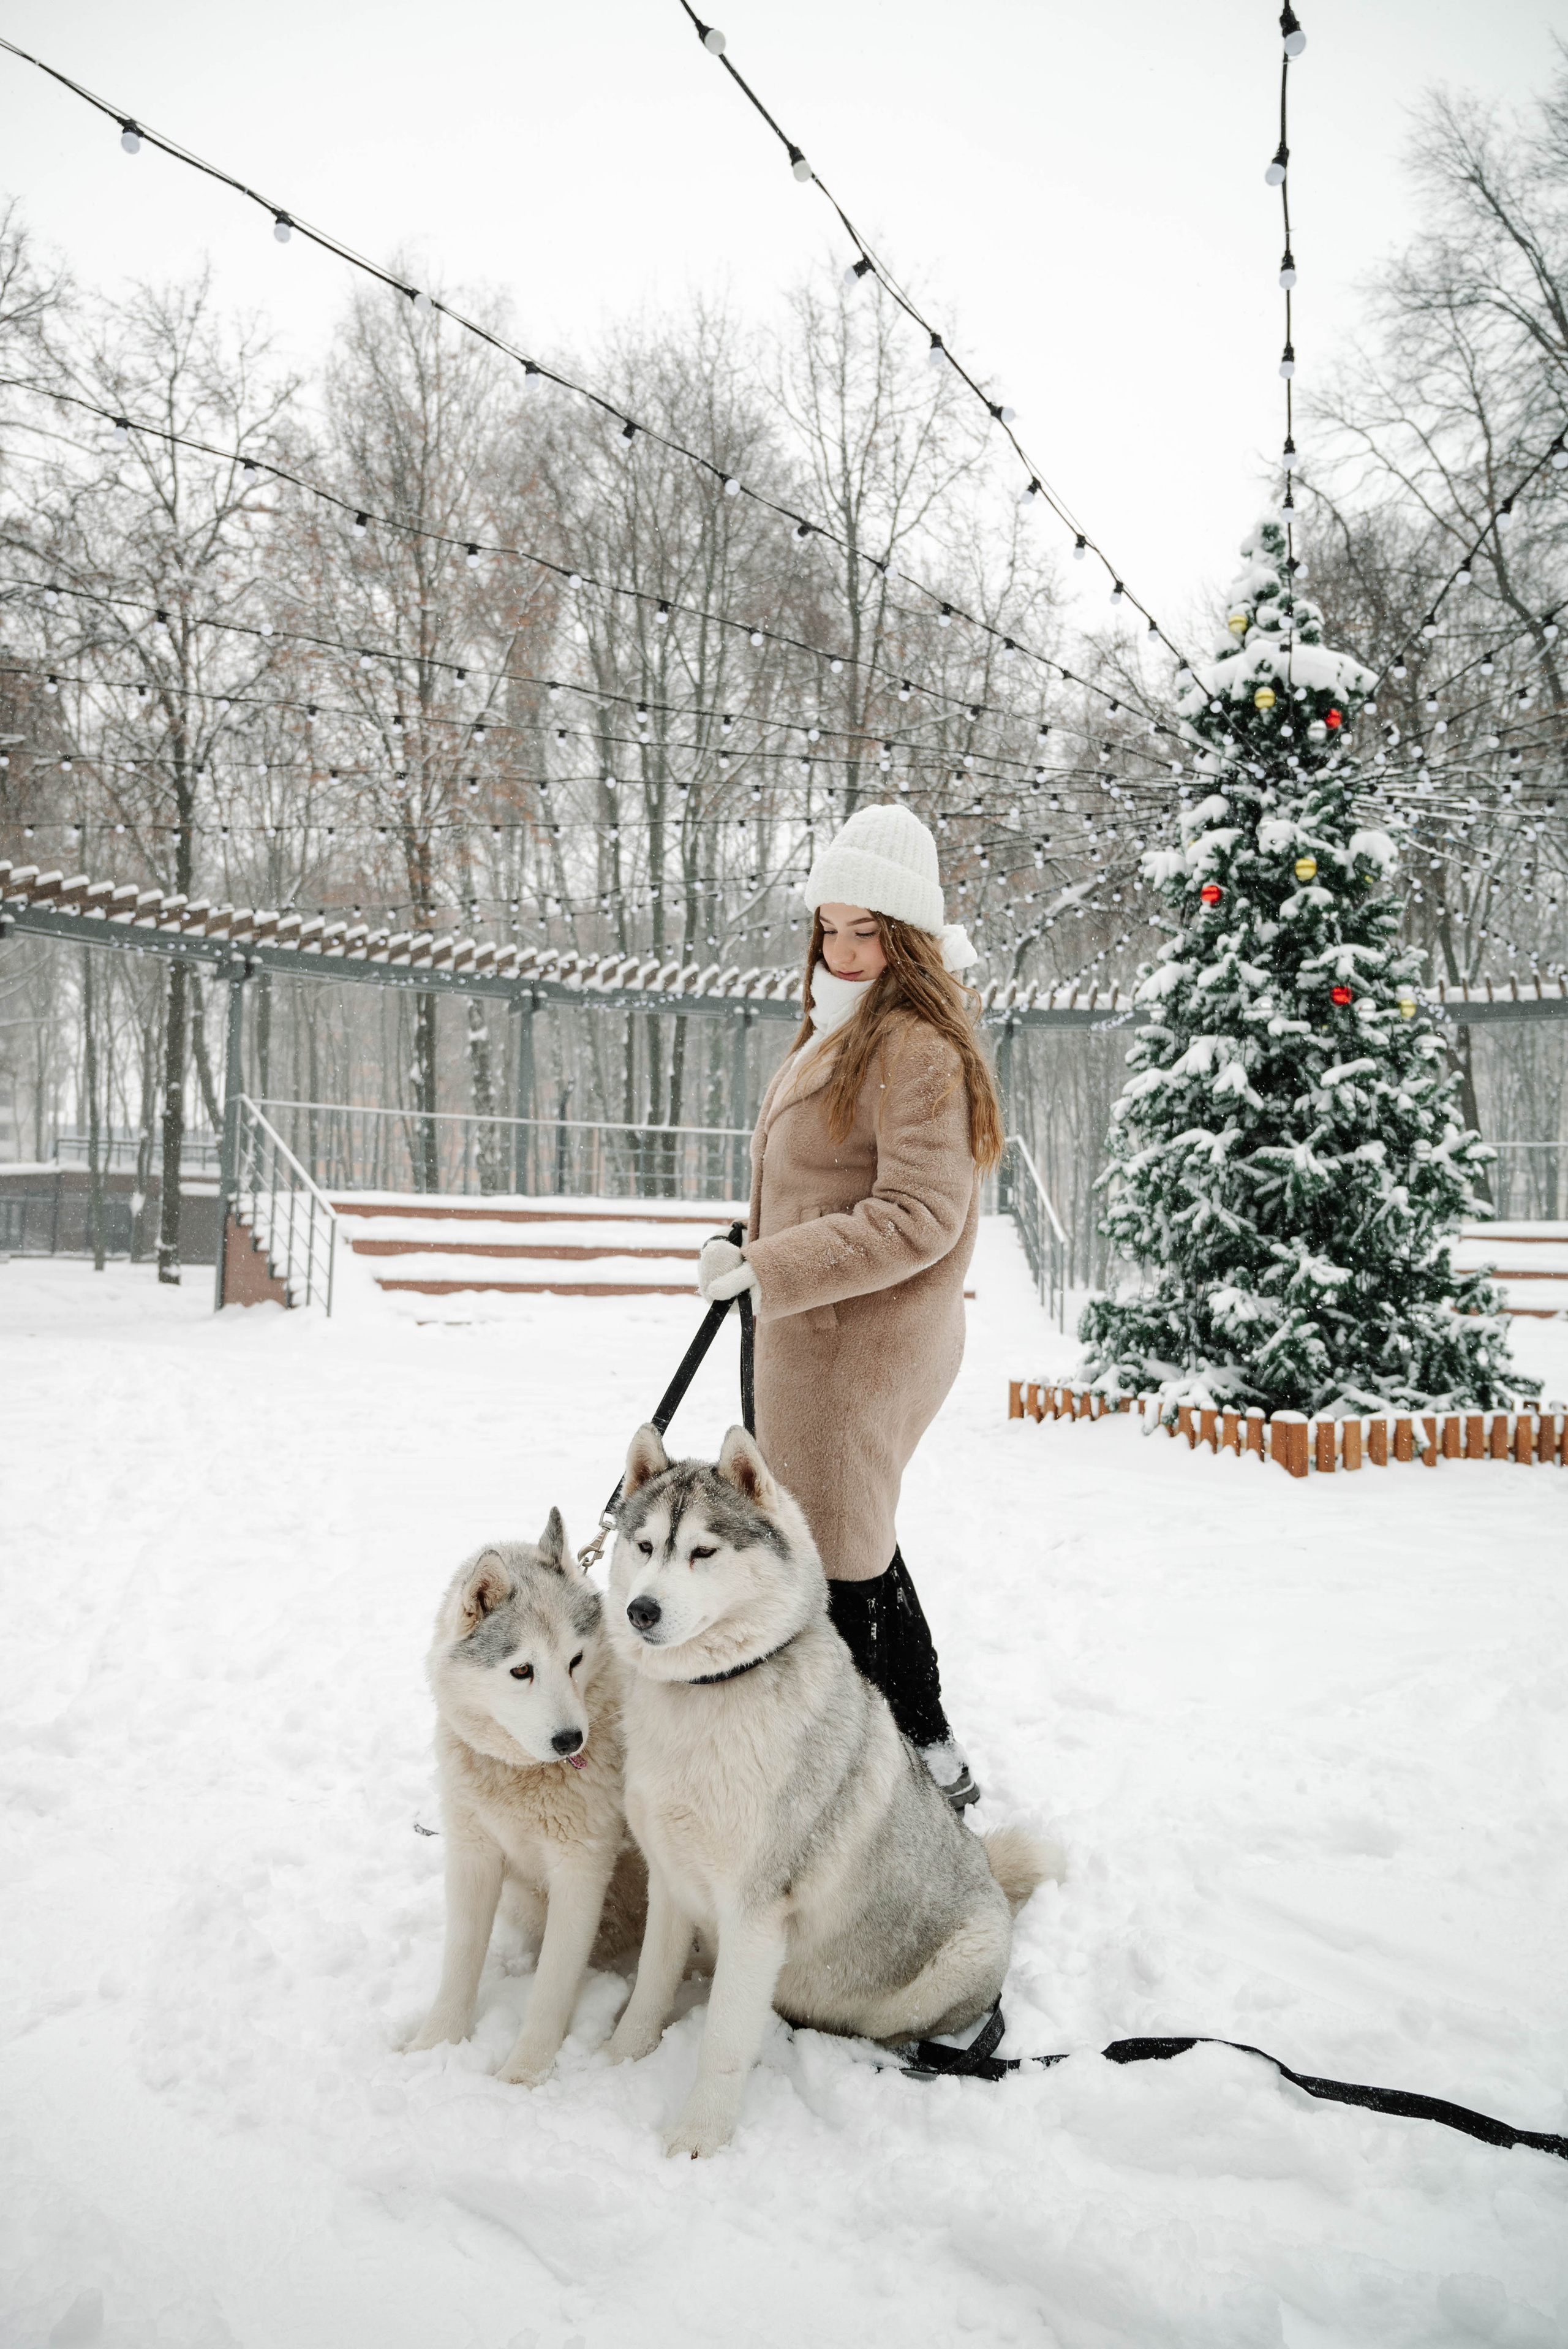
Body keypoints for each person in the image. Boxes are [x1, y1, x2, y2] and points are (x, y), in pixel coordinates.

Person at [696, 803, 1005, 1810]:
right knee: (848, 1538)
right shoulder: (839, 1028)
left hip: (855, 1348)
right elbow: (818, 1183)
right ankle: (928, 1755)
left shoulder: (915, 1044)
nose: (842, 947)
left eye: (865, 930)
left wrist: (776, 1268)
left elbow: (917, 1214)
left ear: (907, 935)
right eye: (829, 926)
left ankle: (869, 1796)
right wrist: (747, 1250)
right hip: (811, 1332)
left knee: (838, 1562)